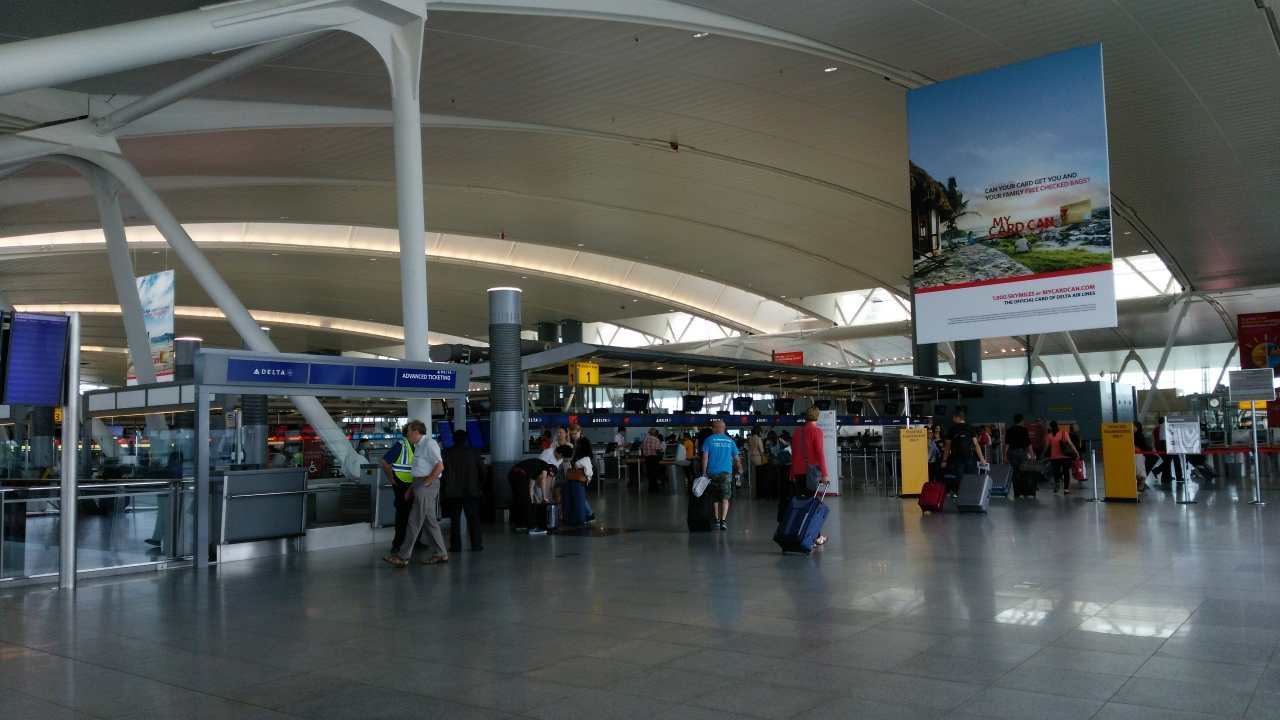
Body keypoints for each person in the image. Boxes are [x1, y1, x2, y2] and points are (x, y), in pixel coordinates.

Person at [385, 420, 446, 566]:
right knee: (430, 522)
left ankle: (403, 556)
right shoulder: (418, 446)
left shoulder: (429, 444)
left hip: (426, 485)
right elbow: (419, 470)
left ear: (416, 432)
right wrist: (412, 488)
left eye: (408, 431)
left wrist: (425, 484)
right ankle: (440, 553)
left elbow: (439, 466)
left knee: (414, 521)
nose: (406, 434)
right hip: (419, 484)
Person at [786, 407, 829, 544]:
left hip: (798, 472)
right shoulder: (817, 431)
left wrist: (792, 473)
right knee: (813, 505)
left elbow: (794, 454)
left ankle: (807, 535)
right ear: (817, 417)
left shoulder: (797, 431)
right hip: (811, 472)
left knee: (804, 505)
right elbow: (820, 453)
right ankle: (815, 537)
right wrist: (824, 474)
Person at [440, 429, 487, 553]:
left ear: (453, 440)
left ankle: (456, 546)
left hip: (451, 492)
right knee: (473, 518)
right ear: (466, 440)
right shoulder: (474, 452)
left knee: (455, 520)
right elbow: (483, 471)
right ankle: (476, 545)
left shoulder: (445, 453)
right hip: (470, 490)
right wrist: (479, 483)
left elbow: (441, 471)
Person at [380, 423, 418, 558]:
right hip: (401, 483)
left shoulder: (414, 445)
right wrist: (391, 479)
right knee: (403, 514)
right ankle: (398, 544)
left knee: (414, 514)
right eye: (414, 431)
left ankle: (415, 541)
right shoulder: (401, 445)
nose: (416, 434)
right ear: (408, 432)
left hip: (412, 483)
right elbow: (384, 461)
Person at [701, 419, 743, 530]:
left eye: (713, 427)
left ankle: (716, 519)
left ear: (718, 428)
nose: (712, 429)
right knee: (725, 496)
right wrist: (739, 468)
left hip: (712, 473)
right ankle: (723, 521)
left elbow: (705, 457)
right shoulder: (730, 441)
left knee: (714, 496)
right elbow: (736, 458)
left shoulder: (708, 440)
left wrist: (704, 472)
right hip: (726, 473)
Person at [510, 454, 558, 534]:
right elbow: (543, 481)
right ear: (550, 469)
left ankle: (519, 524)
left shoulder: (534, 472)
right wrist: (544, 497)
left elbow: (531, 488)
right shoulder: (546, 466)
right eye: (549, 474)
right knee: (525, 502)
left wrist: (531, 500)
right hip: (520, 475)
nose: (547, 476)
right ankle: (532, 527)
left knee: (519, 500)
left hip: (512, 475)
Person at [941, 410, 983, 492]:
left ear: (957, 418)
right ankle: (974, 493)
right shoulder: (971, 428)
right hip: (970, 456)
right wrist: (982, 458)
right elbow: (975, 444)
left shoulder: (952, 429)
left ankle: (962, 494)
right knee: (973, 477)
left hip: (957, 458)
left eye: (953, 418)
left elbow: (948, 446)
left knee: (960, 478)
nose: (953, 420)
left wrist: (944, 460)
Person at [560, 443, 595, 526]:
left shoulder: (577, 447)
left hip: (573, 476)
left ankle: (589, 514)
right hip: (576, 478)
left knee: (577, 497)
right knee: (578, 496)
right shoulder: (578, 447)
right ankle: (588, 514)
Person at [1041, 420, 1076, 494]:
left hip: (1055, 457)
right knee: (1066, 472)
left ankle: (1057, 483)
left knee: (1056, 471)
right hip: (1065, 456)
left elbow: (1046, 446)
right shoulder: (1064, 433)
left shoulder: (1049, 435)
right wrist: (1076, 453)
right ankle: (1066, 489)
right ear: (1058, 426)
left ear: (1050, 427)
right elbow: (1071, 444)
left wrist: (1042, 454)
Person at [640, 427, 664, 492]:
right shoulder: (657, 440)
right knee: (654, 473)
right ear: (656, 433)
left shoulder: (644, 439)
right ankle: (653, 488)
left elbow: (642, 449)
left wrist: (643, 456)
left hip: (647, 458)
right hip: (654, 458)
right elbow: (657, 450)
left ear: (649, 433)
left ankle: (653, 487)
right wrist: (662, 456)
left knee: (650, 473)